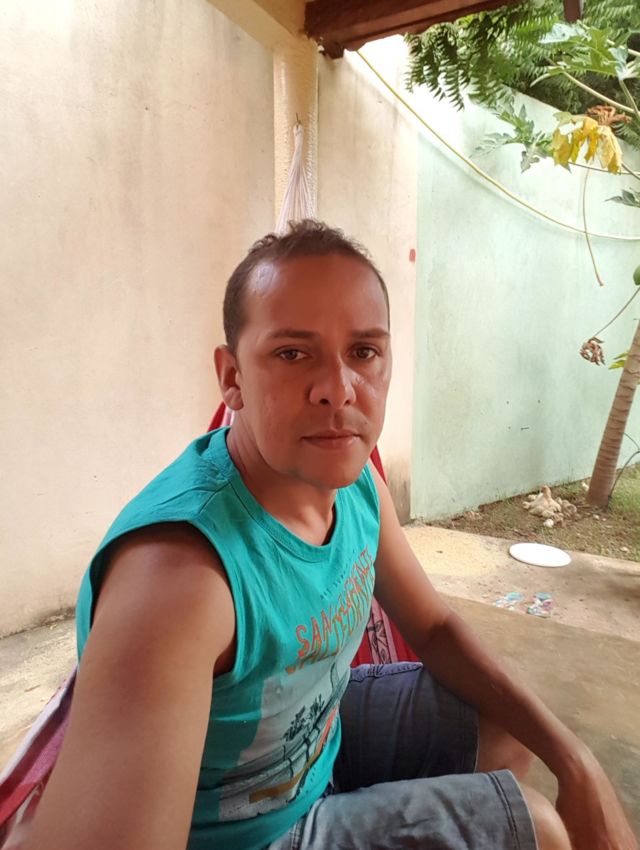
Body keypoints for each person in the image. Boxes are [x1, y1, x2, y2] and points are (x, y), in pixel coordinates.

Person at [22, 221, 635, 850]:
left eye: (363, 352)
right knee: (535, 828)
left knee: (505, 726)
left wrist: (577, 761)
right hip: (242, 835)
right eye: (293, 354)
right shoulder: (180, 581)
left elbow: (434, 629)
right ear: (232, 377)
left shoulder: (355, 484)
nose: (338, 391)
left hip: (317, 750)